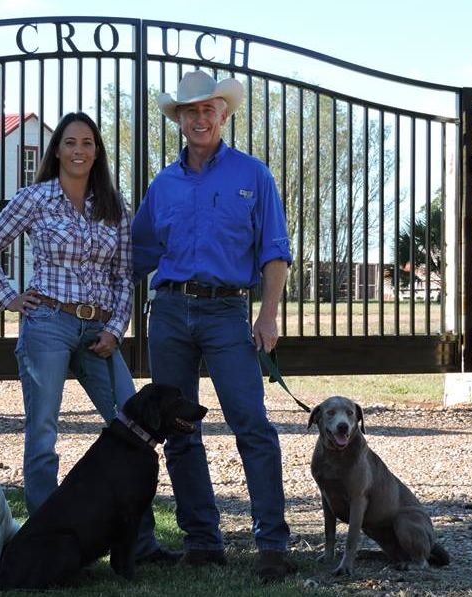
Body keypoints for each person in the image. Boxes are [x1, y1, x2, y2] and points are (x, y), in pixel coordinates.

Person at [0, 111, 176, 564]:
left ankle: (141, 544)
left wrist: (114, 329)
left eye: (87, 143)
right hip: (49, 324)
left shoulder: (113, 207)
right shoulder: (35, 198)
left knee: (134, 427)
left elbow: (124, 276)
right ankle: (48, 543)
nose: (78, 150)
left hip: (99, 328)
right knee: (42, 432)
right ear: (57, 150)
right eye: (70, 142)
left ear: (96, 151)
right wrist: (8, 297)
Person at [131, 70, 296, 582]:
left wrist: (267, 315)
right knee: (179, 430)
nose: (200, 118)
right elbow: (135, 255)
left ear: (224, 115)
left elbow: (275, 251)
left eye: (209, 110)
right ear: (179, 119)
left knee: (252, 425)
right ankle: (203, 540)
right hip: (171, 313)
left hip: (228, 313)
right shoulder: (164, 185)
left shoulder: (254, 176)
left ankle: (272, 544)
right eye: (190, 111)